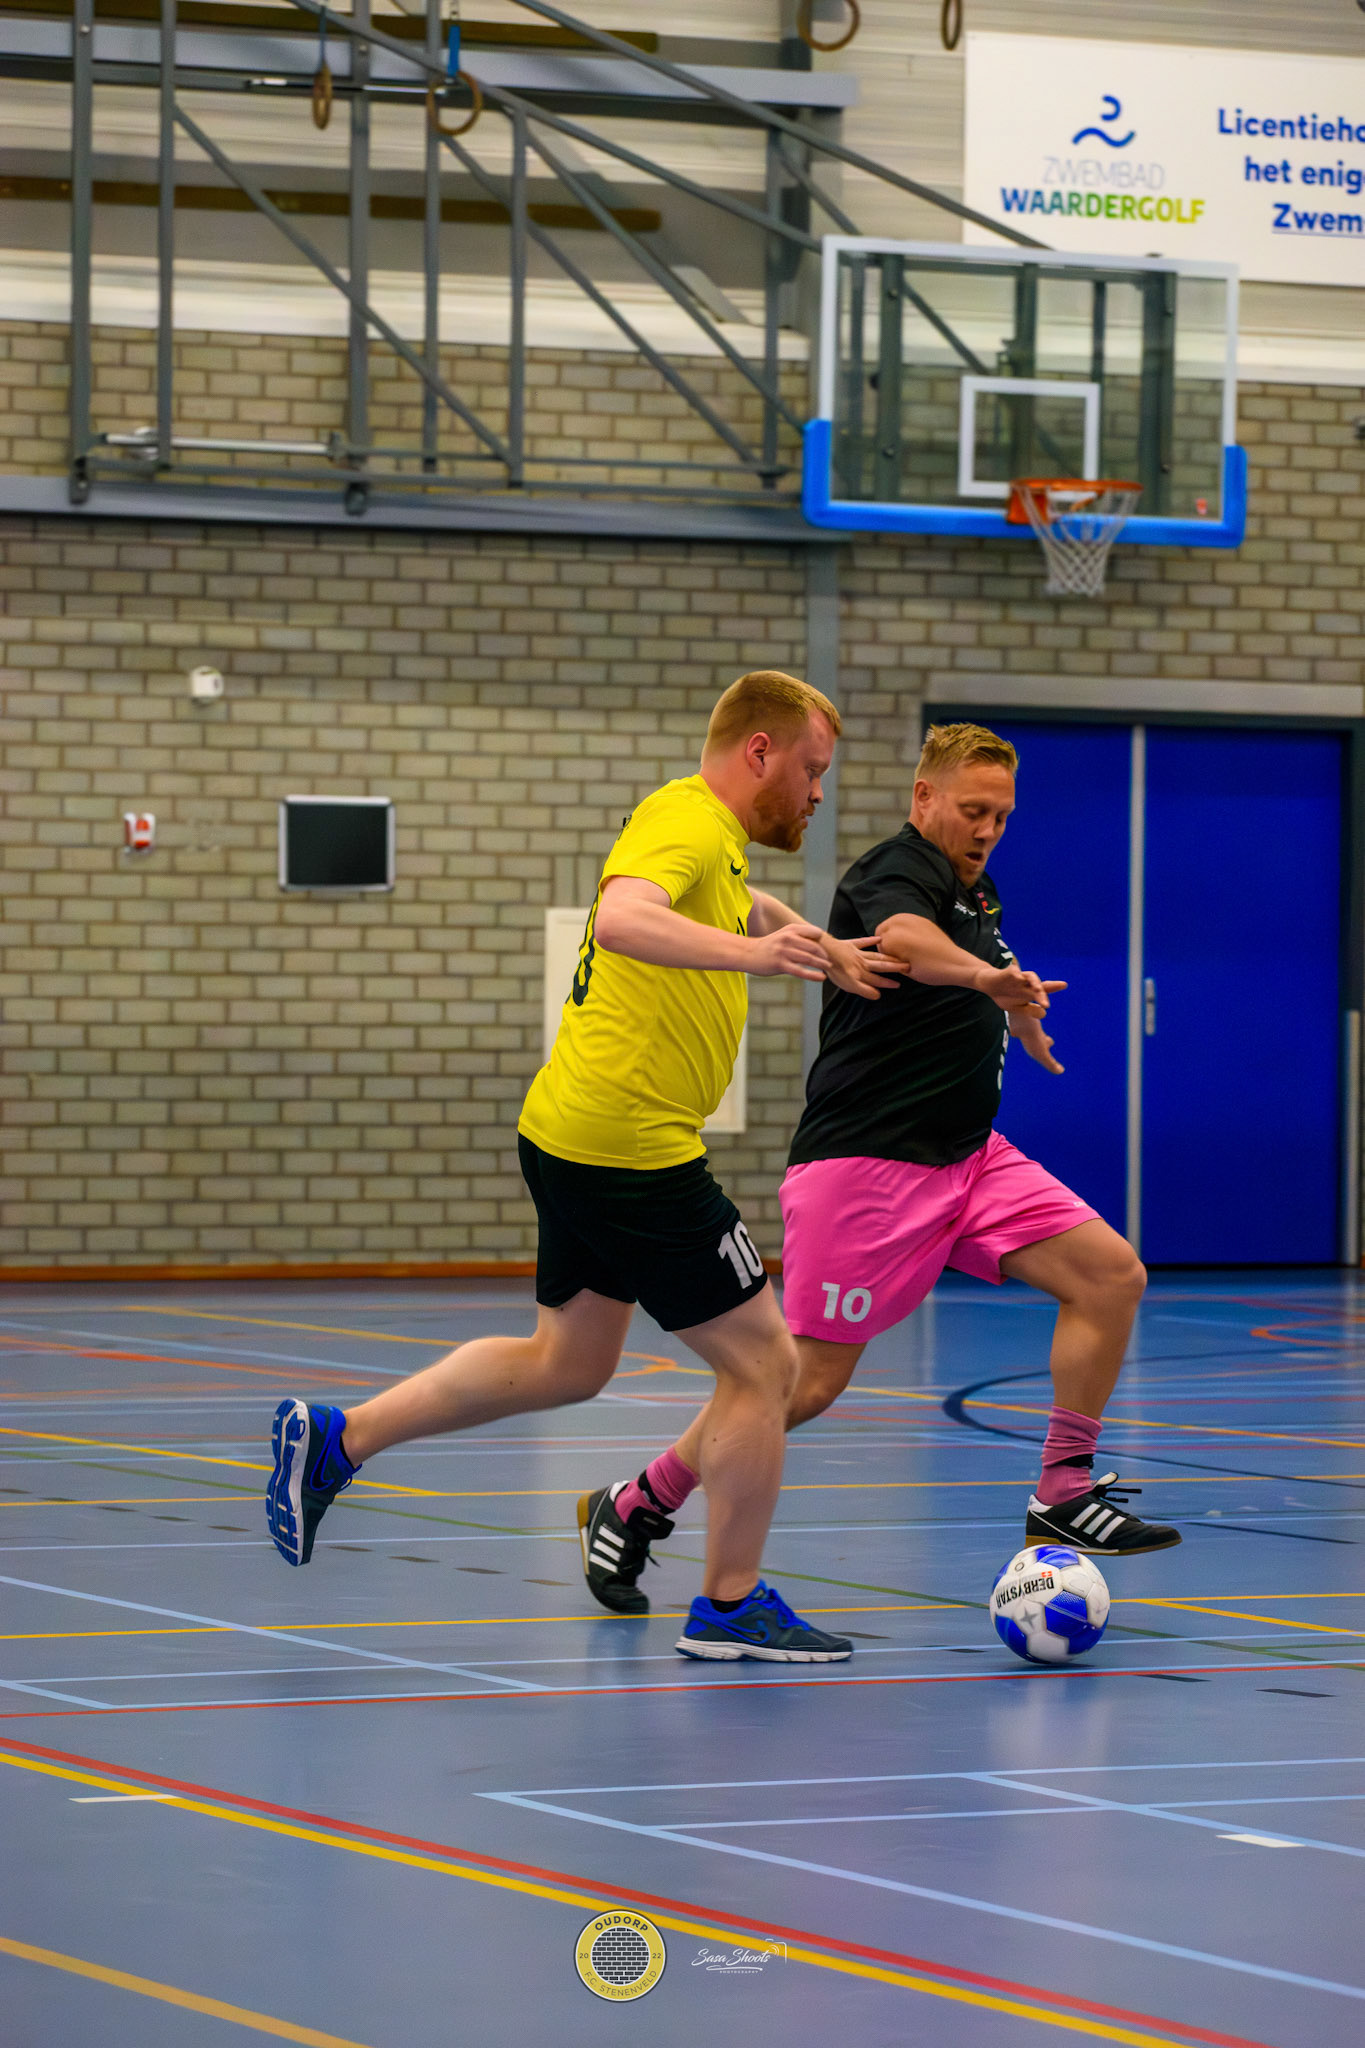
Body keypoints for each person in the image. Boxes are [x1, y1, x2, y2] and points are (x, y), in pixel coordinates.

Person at [266, 669, 904, 1664]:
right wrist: (764, 960)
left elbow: (735, 901)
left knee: (568, 1362)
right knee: (767, 1365)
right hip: (631, 1147)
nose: (817, 794)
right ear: (760, 751)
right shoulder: (685, 822)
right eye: (812, 770)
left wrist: (812, 943)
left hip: (570, 1132)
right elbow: (622, 918)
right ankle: (729, 1603)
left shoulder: (707, 836)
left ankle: (338, 1440)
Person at [581, 721, 1178, 1617]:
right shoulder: (891, 872)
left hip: (970, 1157)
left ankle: (1060, 1493)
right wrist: (983, 983)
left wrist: (1013, 1003)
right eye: (972, 811)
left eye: (1002, 817)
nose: (987, 831)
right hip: (866, 1170)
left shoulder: (976, 893)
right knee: (804, 1385)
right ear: (923, 798)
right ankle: (639, 1500)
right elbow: (907, 939)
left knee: (1110, 1276)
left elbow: (982, 950)